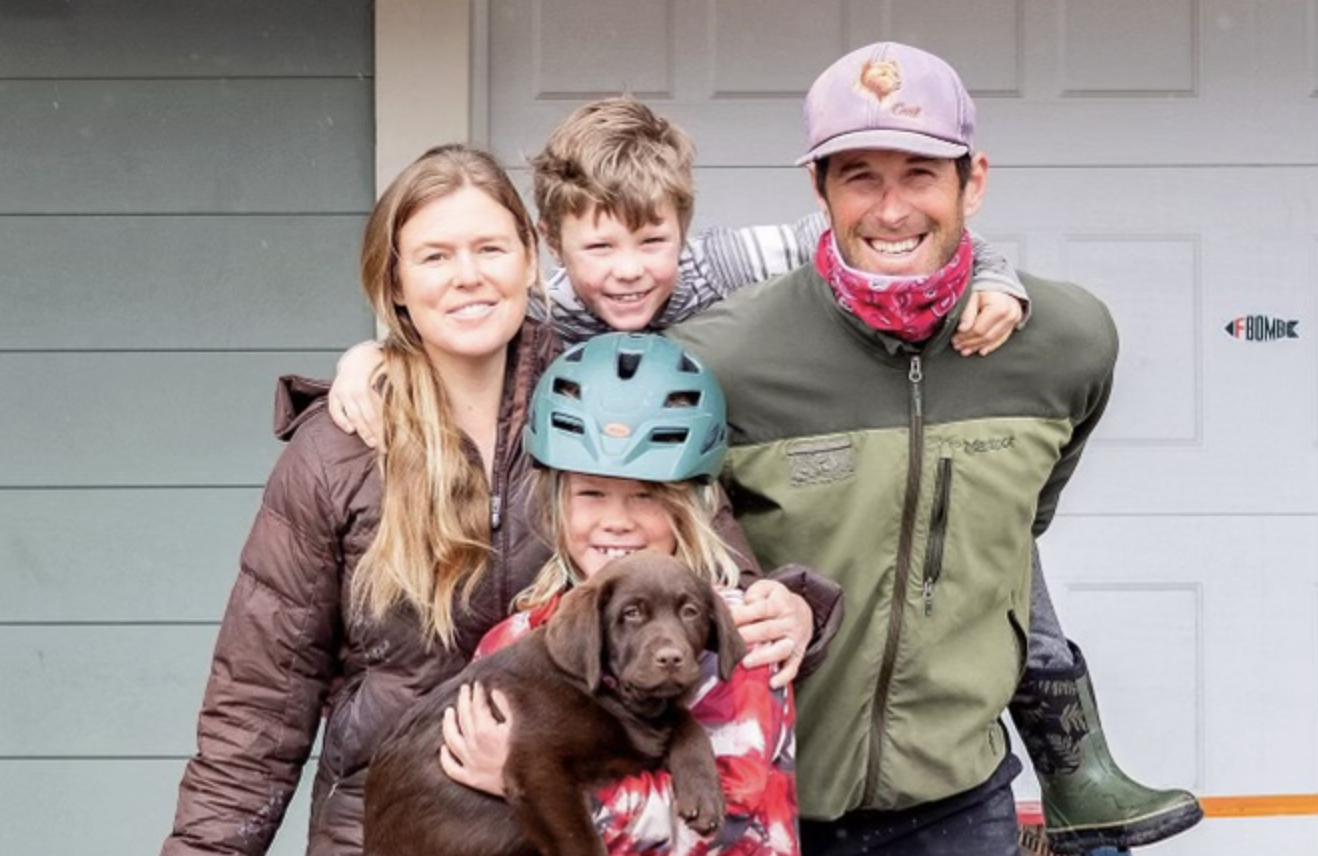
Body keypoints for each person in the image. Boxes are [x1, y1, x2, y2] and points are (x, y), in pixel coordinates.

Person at [162, 144, 826, 856]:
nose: (468, 276)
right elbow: (257, 711)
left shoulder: (600, 406)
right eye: (435, 256)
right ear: (393, 281)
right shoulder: (338, 452)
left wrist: (796, 610)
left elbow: (715, 585)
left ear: (531, 259)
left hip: (588, 827)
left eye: (489, 248)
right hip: (390, 833)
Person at [668, 42, 1202, 855]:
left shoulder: (1067, 343)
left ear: (972, 182)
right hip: (763, 797)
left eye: (919, 175)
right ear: (818, 189)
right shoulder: (723, 356)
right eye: (860, 177)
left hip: (961, 806)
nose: (891, 210)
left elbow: (1025, 518)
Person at [326, 97, 1027, 449]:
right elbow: (457, 331)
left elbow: (885, 239)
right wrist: (370, 356)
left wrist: (994, 276)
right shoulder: (544, 308)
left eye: (653, 241)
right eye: (600, 248)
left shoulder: (724, 263)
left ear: (683, 231)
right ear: (551, 245)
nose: (629, 271)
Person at [437, 333, 805, 854]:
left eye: (645, 496)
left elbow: (725, 819)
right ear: (555, 504)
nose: (617, 520)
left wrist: (529, 786)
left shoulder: (743, 633)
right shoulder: (513, 640)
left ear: (687, 507)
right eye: (591, 493)